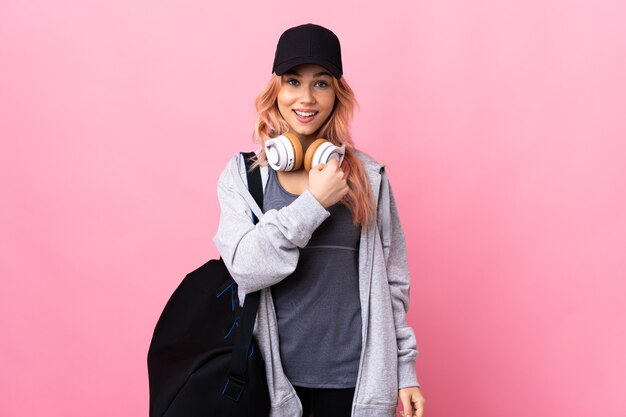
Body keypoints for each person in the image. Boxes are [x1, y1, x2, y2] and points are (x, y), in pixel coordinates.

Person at [213, 23, 425, 417]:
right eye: (293, 81)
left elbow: (394, 284)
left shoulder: (369, 176)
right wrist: (313, 203)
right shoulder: (243, 176)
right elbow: (244, 268)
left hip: (354, 383)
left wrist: (405, 372)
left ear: (336, 93)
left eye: (321, 83)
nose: (306, 97)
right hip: (272, 384)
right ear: (275, 90)